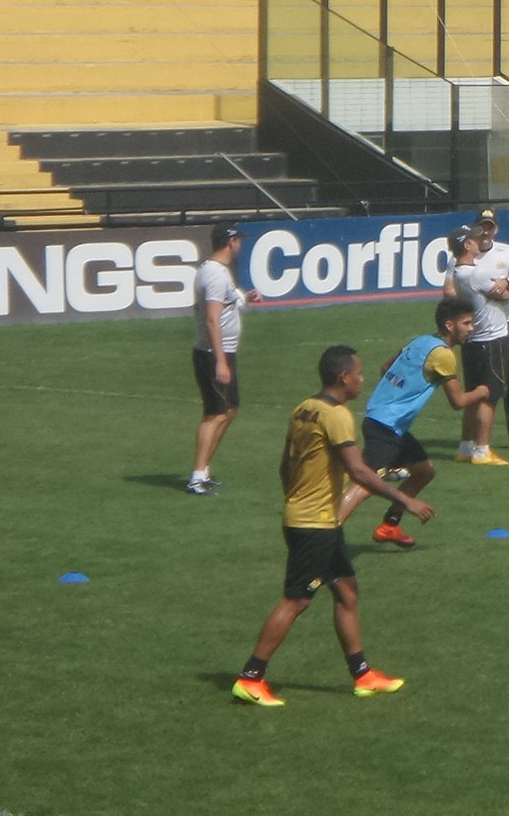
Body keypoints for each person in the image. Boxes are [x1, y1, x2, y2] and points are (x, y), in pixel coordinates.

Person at [230, 344, 434, 706]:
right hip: (315, 525)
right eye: (358, 373)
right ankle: (250, 677)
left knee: (347, 591)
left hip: (311, 517)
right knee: (296, 600)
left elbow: (286, 464)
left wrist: (296, 498)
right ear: (343, 377)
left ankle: (363, 675)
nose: (363, 379)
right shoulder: (337, 415)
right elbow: (359, 471)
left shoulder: (303, 409)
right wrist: (406, 500)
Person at [339, 298, 489, 549]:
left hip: (384, 421)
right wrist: (483, 391)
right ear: (450, 325)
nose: (471, 328)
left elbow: (386, 367)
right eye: (467, 323)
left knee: (424, 471)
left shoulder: (421, 341)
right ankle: (326, 534)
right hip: (386, 425)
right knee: (366, 483)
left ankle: (389, 525)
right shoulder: (444, 355)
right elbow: (458, 401)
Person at [450, 213, 509, 460]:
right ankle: (482, 450)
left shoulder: (460, 272)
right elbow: (505, 295)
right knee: (489, 395)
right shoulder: (476, 274)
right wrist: (507, 283)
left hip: (473, 341)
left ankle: (465, 447)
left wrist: (504, 283)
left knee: (473, 393)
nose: (478, 241)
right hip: (491, 339)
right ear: (467, 245)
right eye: (473, 239)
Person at [188, 228, 258, 495]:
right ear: (231, 242)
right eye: (238, 240)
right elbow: (211, 318)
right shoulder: (216, 274)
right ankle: (196, 477)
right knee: (214, 413)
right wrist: (220, 360)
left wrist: (245, 298)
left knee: (230, 410)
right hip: (213, 353)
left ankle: (203, 470)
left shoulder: (214, 271)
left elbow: (224, 305)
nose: (240, 245)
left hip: (222, 352)